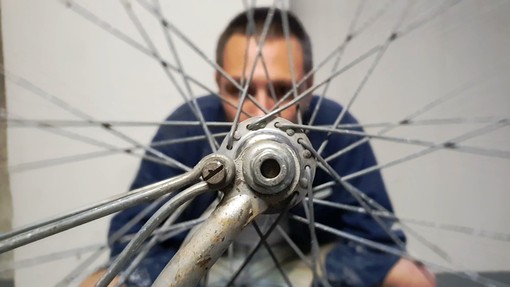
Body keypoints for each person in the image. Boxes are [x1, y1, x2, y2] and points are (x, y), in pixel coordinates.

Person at [82, 7, 434, 287]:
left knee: (412, 278)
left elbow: (379, 241)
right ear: (219, 85)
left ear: (308, 86)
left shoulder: (336, 128)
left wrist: (336, 273)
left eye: (282, 90)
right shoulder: (185, 126)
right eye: (239, 90)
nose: (262, 109)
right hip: (207, 263)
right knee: (100, 283)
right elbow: (130, 238)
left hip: (301, 266)